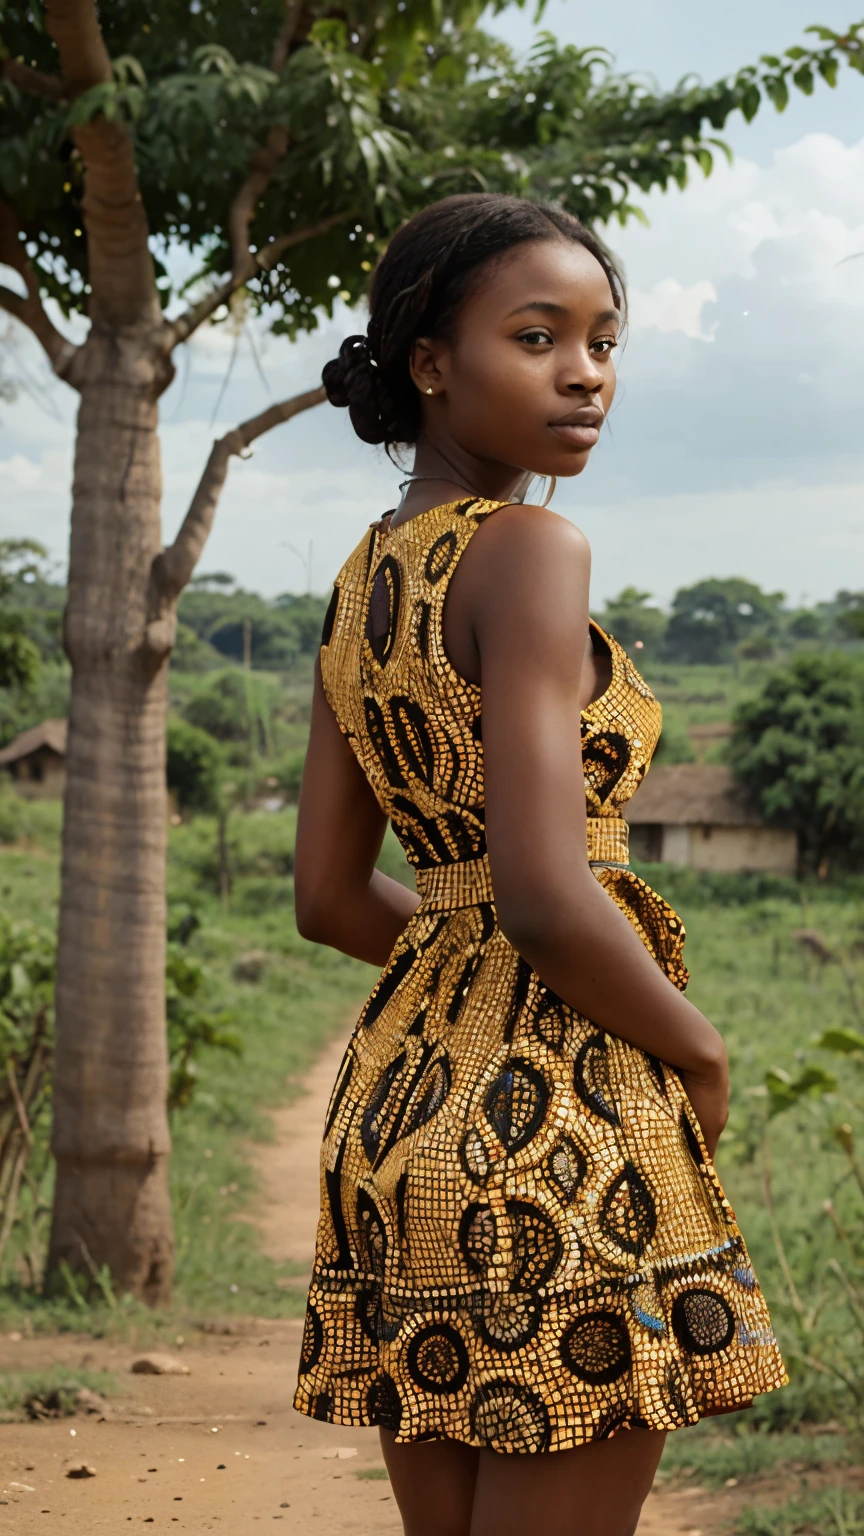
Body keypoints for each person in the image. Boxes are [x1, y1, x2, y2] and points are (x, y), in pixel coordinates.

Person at [292, 193, 785, 1536]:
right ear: (431, 362)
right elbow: (547, 893)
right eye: (537, 335)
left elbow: (329, 899)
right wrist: (696, 1052)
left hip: (398, 1127)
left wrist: (459, 995)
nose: (585, 372)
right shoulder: (530, 551)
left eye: (604, 340)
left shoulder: (363, 583)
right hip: (552, 1132)